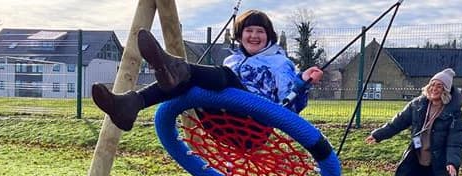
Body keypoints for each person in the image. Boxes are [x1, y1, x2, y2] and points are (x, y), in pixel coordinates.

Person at [92, 10, 323, 131]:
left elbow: (289, 107)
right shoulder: (233, 60)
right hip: (218, 122)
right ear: (240, 36)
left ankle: (176, 68)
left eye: (260, 32)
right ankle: (131, 105)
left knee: (222, 76)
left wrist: (302, 83)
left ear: (269, 36)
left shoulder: (280, 64)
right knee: (185, 81)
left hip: (253, 125)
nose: (254, 36)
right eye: (248, 31)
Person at [365, 68, 462, 176]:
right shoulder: (417, 105)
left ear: (446, 91)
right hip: (416, 159)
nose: (434, 89)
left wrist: (452, 161)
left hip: (438, 165)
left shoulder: (453, 114)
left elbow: (456, 140)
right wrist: (378, 135)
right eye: (432, 84)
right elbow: (398, 122)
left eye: (439, 86)